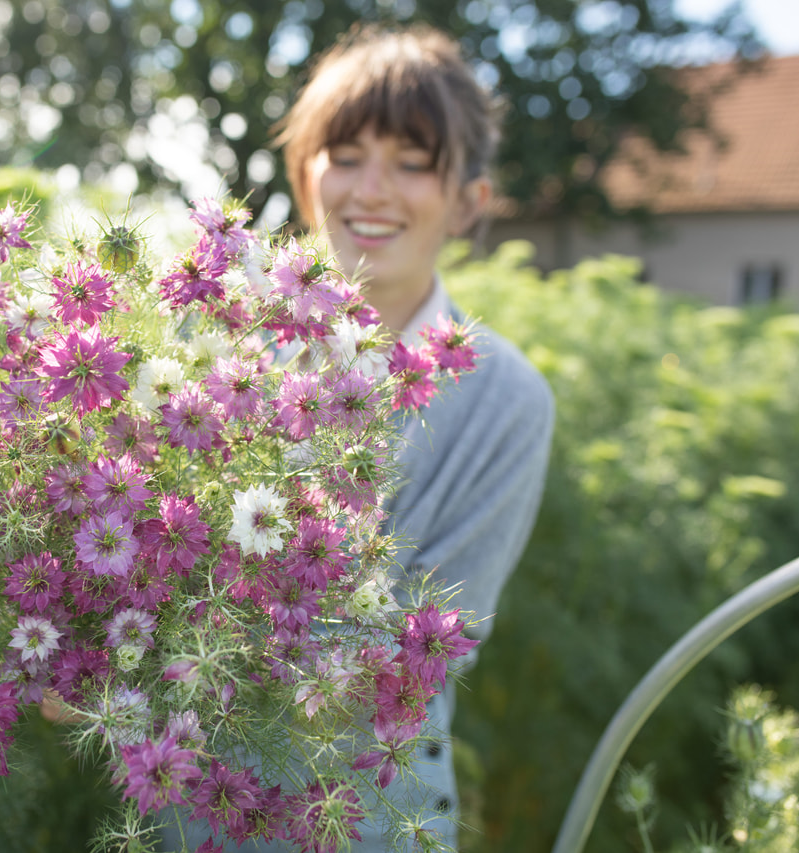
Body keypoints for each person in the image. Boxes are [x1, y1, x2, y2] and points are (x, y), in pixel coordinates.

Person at [168, 23, 554, 852]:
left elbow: (420, 659)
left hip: (366, 818)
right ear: (306, 177)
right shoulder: (223, 348)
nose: (371, 189)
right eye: (344, 153)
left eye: (413, 161)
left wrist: (155, 647)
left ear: (468, 201)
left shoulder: (506, 398)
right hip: (192, 809)